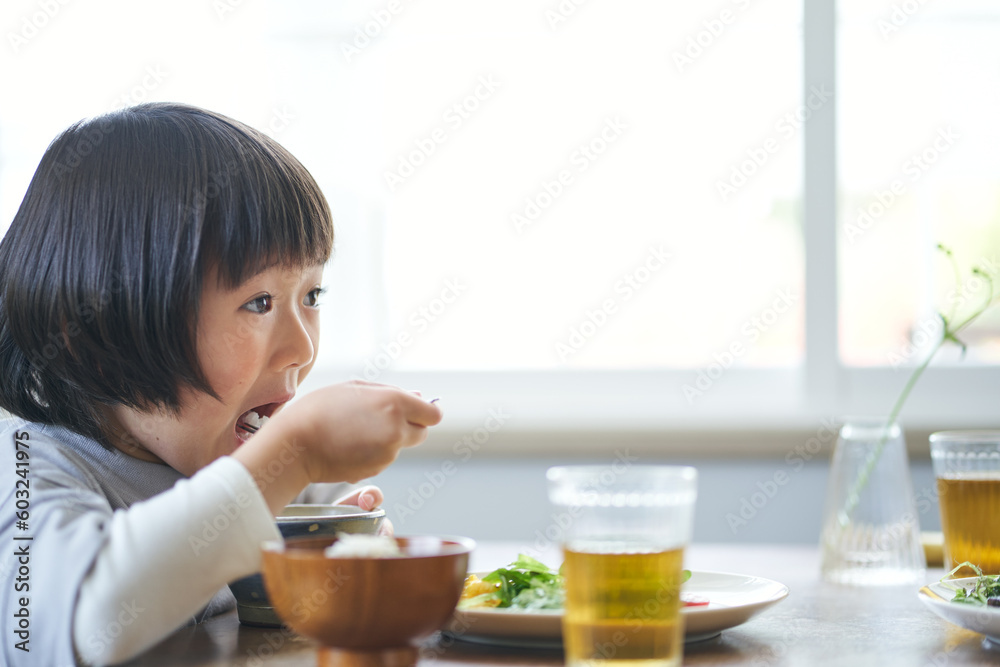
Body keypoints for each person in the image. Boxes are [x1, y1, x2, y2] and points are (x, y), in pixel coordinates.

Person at [0, 102, 442, 666]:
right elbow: (78, 630)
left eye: (312, 296)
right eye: (259, 303)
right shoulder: (24, 471)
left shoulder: (267, 467)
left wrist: (347, 550)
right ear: (96, 334)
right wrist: (297, 450)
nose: (303, 348)